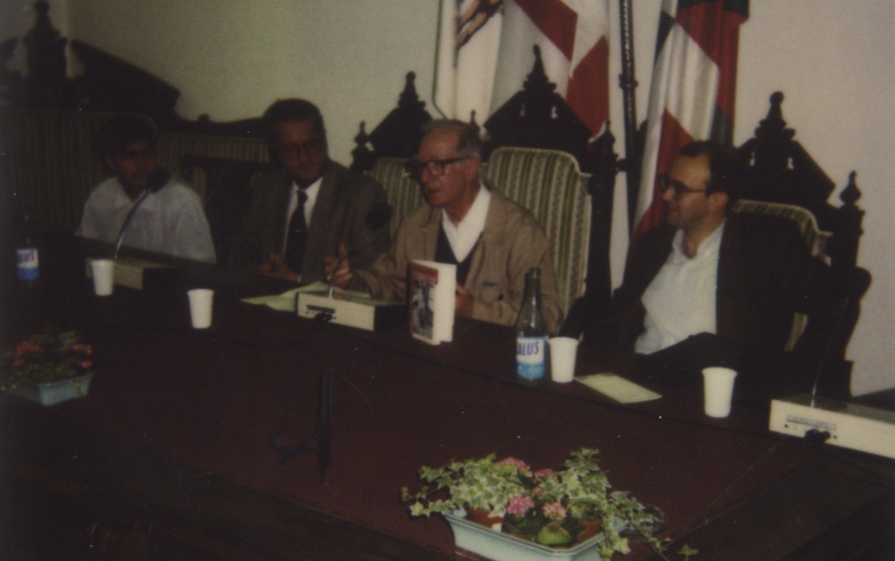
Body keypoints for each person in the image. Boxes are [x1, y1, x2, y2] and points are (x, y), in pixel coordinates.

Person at [571, 141, 843, 392]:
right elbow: (617, 318)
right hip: (637, 379)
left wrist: (794, 376)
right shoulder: (653, 243)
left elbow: (834, 301)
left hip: (708, 392)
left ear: (716, 200)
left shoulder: (765, 246)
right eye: (666, 182)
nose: (666, 195)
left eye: (679, 189)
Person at [325, 120, 563, 331]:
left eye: (437, 165)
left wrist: (475, 310)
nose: (424, 178)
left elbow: (549, 316)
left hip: (489, 358)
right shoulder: (416, 225)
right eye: (421, 167)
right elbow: (392, 284)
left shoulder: (519, 230)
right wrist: (351, 281)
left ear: (470, 167)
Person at [229, 98, 390, 283]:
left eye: (311, 144)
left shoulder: (363, 194)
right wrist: (259, 269)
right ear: (276, 151)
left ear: (324, 139)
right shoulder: (265, 188)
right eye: (290, 149)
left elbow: (373, 274)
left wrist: (297, 279)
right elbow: (239, 254)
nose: (303, 158)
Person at [77, 114, 216, 263]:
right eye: (130, 156)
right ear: (110, 161)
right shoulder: (101, 196)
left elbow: (199, 266)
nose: (141, 164)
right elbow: (86, 250)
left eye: (147, 154)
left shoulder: (182, 201)